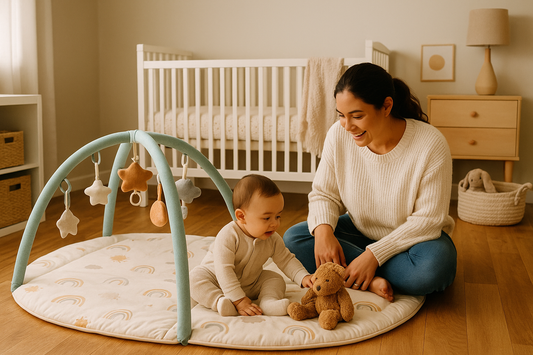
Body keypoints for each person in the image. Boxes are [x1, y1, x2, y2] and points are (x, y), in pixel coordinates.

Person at [284, 63, 457, 302]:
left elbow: (428, 221)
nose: (347, 126)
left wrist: (374, 256)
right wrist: (324, 232)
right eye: (341, 116)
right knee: (294, 238)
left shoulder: (430, 144)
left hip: (413, 241)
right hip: (359, 230)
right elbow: (324, 194)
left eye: (357, 116)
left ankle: (350, 272)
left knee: (432, 269)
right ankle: (368, 278)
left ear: (386, 106)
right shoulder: (338, 134)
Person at [190, 174, 313, 316]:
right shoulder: (228, 236)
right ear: (241, 216)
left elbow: (286, 260)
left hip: (251, 283)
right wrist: (239, 300)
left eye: (278, 216)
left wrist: (303, 277)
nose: (275, 223)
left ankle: (268, 302)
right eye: (267, 218)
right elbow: (224, 270)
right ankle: (219, 301)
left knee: (275, 279)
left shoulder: (272, 238)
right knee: (194, 278)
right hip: (216, 280)